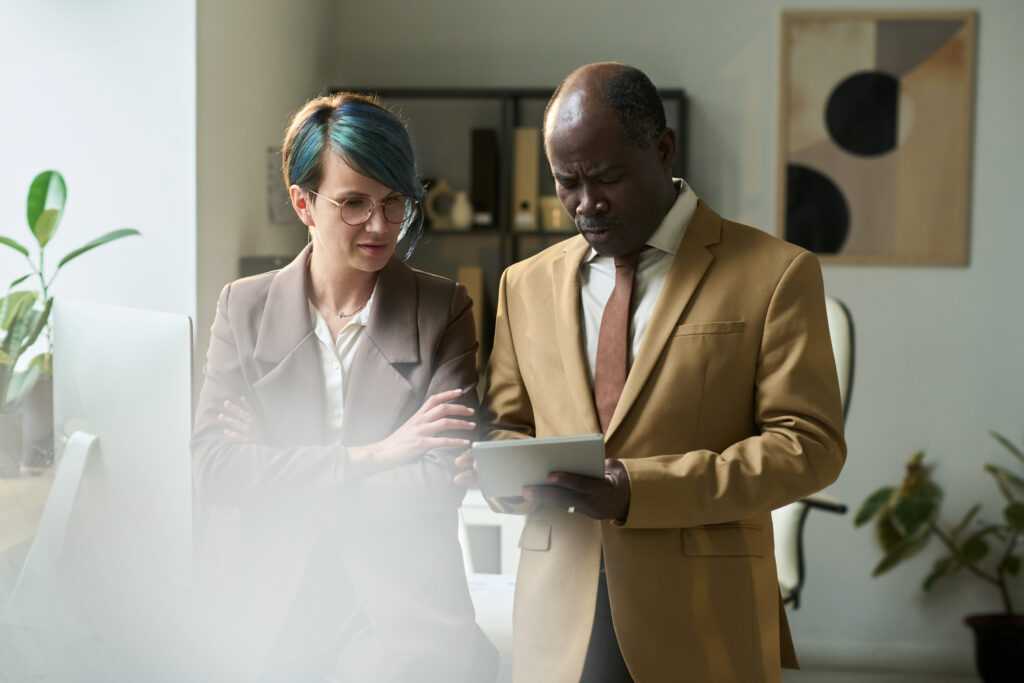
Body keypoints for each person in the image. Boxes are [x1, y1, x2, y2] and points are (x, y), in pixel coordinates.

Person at [455, 63, 846, 682]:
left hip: (703, 618)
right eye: (567, 183)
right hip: (557, 623)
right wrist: (503, 473)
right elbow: (506, 426)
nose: (587, 204)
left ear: (662, 150)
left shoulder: (776, 273)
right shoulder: (522, 284)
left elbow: (809, 447)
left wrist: (640, 489)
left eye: (607, 177)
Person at [191, 92, 497, 682]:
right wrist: (376, 455)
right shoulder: (244, 307)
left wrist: (277, 471)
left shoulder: (443, 308)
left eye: (394, 202)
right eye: (354, 204)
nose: (381, 226)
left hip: (397, 608)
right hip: (266, 600)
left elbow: (438, 481)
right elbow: (217, 470)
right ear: (303, 204)